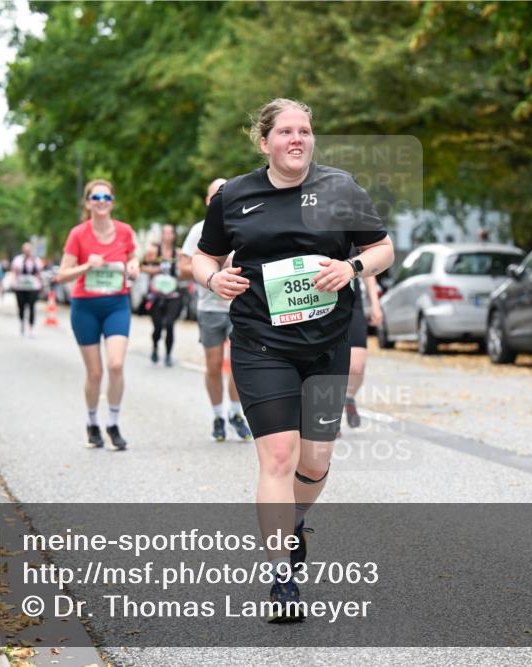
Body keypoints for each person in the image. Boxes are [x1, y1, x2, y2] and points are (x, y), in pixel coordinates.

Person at [193, 98, 394, 621]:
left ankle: (296, 518)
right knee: (279, 457)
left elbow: (382, 248)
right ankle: (281, 577)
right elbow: (203, 255)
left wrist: (351, 268)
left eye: (304, 130)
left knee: (316, 460)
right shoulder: (235, 196)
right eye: (285, 131)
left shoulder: (341, 189)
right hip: (262, 343)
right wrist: (212, 278)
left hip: (327, 344)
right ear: (265, 142)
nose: (297, 138)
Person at [55, 179, 139, 451]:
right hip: (85, 307)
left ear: (112, 202)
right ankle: (92, 423)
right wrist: (85, 267)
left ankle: (113, 424)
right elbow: (61, 275)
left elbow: (133, 257)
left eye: (106, 197)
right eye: (96, 197)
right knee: (94, 373)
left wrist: (134, 266)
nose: (101, 202)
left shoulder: (125, 231)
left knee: (116, 365)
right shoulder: (78, 234)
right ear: (88, 202)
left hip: (116, 304)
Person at [179, 179, 252, 443]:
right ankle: (218, 415)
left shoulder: (246, 223)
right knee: (213, 365)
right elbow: (183, 268)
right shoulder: (199, 230)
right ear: (208, 202)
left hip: (240, 307)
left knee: (239, 364)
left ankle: (235, 413)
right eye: (215, 196)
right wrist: (213, 270)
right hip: (210, 307)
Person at [344, 257, 383, 427]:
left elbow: (368, 269)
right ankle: (330, 414)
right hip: (319, 305)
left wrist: (375, 304)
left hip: (353, 304)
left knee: (357, 367)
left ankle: (348, 397)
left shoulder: (354, 241)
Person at [140, 227, 183, 366]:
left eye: (171, 232)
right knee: (157, 325)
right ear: (161, 235)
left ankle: (168, 355)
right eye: (165, 232)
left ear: (174, 235)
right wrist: (155, 269)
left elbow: (185, 270)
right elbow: (142, 267)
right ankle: (155, 348)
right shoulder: (153, 251)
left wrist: (180, 270)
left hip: (173, 294)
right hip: (156, 295)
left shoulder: (178, 253)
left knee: (170, 324)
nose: (168, 235)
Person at [11, 242, 44, 337]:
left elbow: (39, 273)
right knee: (21, 306)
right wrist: (13, 282)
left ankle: (31, 327)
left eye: (29, 250)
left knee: (32, 307)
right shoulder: (18, 260)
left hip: (33, 287)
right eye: (25, 250)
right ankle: (22, 323)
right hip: (20, 287)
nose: (27, 251)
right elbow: (14, 272)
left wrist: (41, 284)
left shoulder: (36, 260)